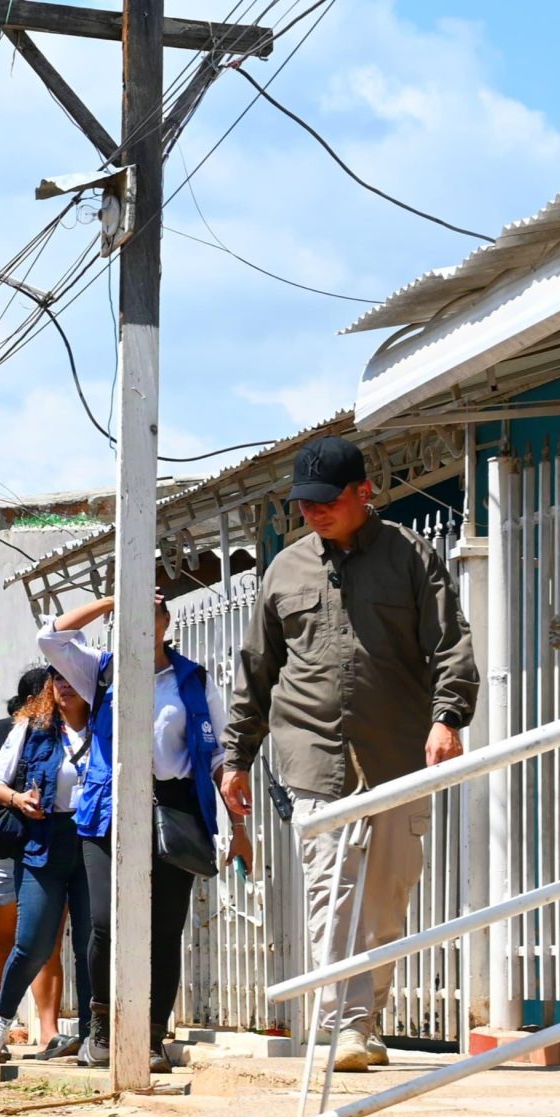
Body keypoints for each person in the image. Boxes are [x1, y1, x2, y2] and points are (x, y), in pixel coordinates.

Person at [224, 435, 477, 1070]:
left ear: (363, 492)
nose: (313, 514)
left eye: (326, 502)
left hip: (394, 755)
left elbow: (451, 644)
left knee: (386, 903)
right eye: (304, 504)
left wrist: (447, 718)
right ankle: (344, 1027)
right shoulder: (284, 570)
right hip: (311, 756)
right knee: (330, 895)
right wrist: (235, 757)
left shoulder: (411, 556)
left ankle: (365, 1020)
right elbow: (256, 668)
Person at [41, 589, 243, 1072]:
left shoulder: (193, 680)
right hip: (108, 808)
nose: (141, 624)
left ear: (166, 622)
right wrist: (114, 598)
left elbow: (217, 756)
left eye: (149, 615)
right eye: (129, 616)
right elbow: (51, 638)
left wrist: (239, 827)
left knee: (164, 928)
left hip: (175, 809)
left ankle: (152, 1036)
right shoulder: (101, 671)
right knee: (105, 924)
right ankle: (103, 1029)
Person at [0, 668, 94, 1062]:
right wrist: (15, 799)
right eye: (57, 677)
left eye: (73, 675)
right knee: (34, 941)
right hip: (45, 841)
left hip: (94, 839)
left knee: (92, 940)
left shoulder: (108, 723)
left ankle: (96, 1033)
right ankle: (1, 1019)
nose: (64, 683)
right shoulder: (32, 727)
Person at [0, 666, 67, 1051]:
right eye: (51, 692)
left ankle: (50, 1032)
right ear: (29, 701)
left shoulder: (67, 734)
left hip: (42, 850)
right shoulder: (1, 731)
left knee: (46, 942)